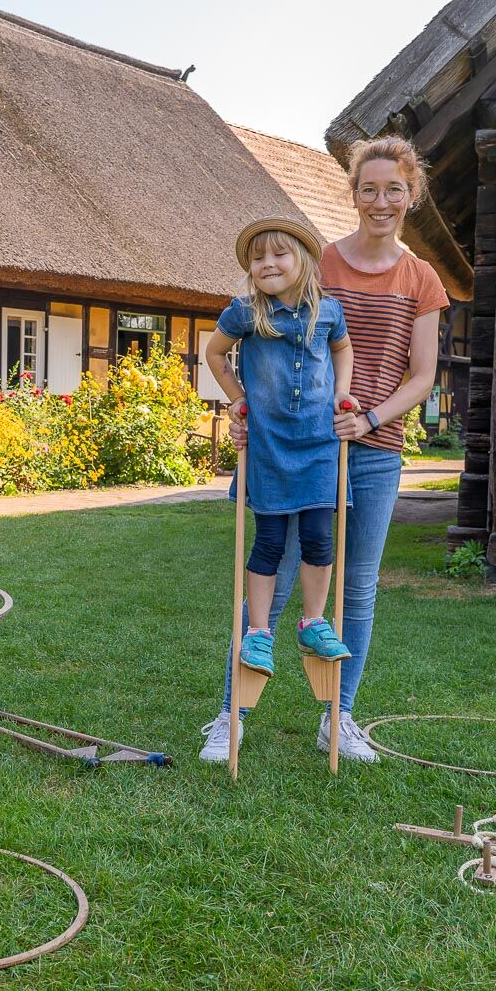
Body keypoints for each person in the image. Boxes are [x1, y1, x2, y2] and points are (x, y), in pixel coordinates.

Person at [198, 136, 446, 765]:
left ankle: (339, 718)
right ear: (354, 194)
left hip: (374, 444)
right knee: (272, 577)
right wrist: (242, 401)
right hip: (293, 447)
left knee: (354, 589)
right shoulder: (316, 262)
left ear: (410, 194)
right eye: (369, 189)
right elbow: (247, 340)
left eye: (394, 189)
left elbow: (422, 375)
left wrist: (368, 418)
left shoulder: (422, 277)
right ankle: (231, 717)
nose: (381, 201)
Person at [203, 217, 355, 689]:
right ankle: (258, 632)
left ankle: (313, 625)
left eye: (279, 254)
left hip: (319, 446)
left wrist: (341, 393)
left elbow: (343, 350)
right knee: (268, 542)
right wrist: (236, 397)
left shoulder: (327, 312)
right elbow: (214, 354)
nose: (268, 263)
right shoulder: (245, 313)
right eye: (258, 257)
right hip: (269, 447)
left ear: (304, 261)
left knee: (318, 539)